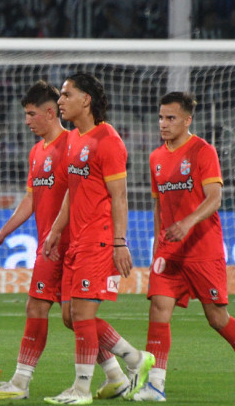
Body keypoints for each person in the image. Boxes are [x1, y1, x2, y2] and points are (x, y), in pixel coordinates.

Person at [134, 92, 235, 402]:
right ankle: (155, 385)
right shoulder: (156, 157)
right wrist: (159, 240)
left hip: (202, 247)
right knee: (159, 307)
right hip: (170, 250)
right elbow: (159, 204)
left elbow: (214, 198)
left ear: (187, 120)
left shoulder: (202, 151)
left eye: (170, 118)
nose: (164, 123)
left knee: (217, 318)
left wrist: (186, 223)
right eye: (160, 117)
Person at [42, 72, 154, 404]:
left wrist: (120, 242)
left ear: (86, 100)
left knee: (83, 316)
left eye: (66, 95)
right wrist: (56, 230)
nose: (60, 101)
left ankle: (81, 389)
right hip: (76, 240)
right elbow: (71, 194)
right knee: (70, 316)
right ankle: (134, 359)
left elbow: (120, 197)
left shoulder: (108, 141)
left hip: (100, 239)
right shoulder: (74, 140)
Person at [0, 81, 71, 400]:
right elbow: (31, 200)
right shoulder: (37, 151)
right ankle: (20, 381)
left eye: (32, 114)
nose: (27, 121)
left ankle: (128, 364)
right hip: (48, 247)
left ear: (51, 113)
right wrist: (3, 234)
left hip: (72, 245)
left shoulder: (72, 146)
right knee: (44, 309)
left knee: (72, 316)